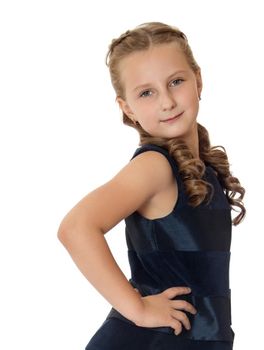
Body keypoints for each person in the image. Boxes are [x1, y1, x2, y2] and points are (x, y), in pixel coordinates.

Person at [57, 22, 246, 350]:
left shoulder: (200, 168)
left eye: (176, 81)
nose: (167, 101)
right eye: (147, 92)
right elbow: (76, 227)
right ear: (127, 108)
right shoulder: (155, 166)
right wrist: (138, 308)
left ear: (198, 79)